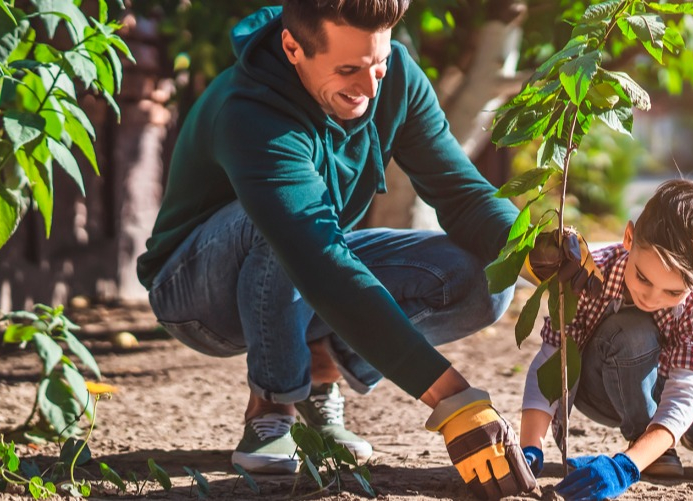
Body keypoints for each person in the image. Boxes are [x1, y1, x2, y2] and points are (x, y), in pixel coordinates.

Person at [135, 1, 535, 498]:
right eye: (347, 70)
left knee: (482, 282)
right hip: (197, 294)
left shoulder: (396, 81)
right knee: (283, 228)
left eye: (379, 64)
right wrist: (453, 400)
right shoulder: (250, 110)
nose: (370, 88)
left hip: (309, 263)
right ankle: (273, 405)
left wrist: (536, 254)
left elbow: (461, 193)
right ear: (293, 48)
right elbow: (317, 256)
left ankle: (319, 366)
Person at [518, 179, 693, 500]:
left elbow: (686, 390)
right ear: (629, 237)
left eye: (673, 291)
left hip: (672, 382)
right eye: (642, 277)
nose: (652, 298)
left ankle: (667, 438)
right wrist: (530, 447)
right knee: (633, 329)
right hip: (601, 382)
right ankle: (647, 444)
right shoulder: (589, 274)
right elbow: (552, 358)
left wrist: (623, 467)